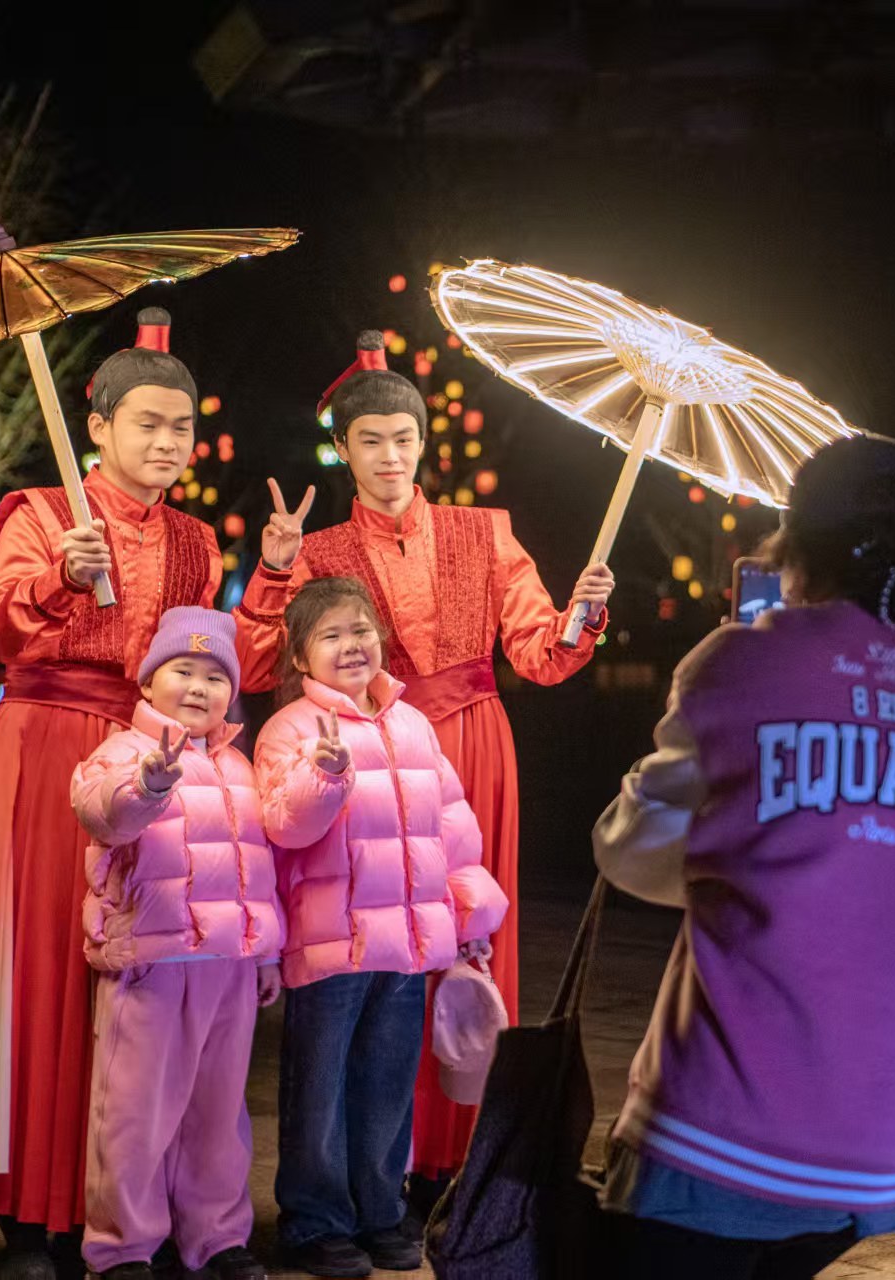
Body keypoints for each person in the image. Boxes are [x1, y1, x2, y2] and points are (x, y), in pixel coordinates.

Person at [589, 434, 895, 1279]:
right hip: (891, 1141)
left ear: (796, 544)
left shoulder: (747, 660)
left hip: (724, 1127)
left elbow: (634, 852)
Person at [0, 313, 274, 1280]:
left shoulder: (198, 541)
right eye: (148, 424)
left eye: (182, 429)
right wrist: (58, 578)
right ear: (99, 426)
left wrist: (276, 577)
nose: (167, 444)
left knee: (141, 976)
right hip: (44, 748)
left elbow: (223, 663)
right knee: (47, 963)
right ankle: (34, 1210)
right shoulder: (36, 511)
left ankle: (133, 1206)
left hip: (152, 757)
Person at [238, 331, 613, 1191]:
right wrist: (273, 569)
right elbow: (260, 668)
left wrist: (580, 615)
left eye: (403, 439)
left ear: (422, 444)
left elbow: (538, 655)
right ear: (344, 450)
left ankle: (460, 1158)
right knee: (384, 949)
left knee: (473, 941)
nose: (389, 456)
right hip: (370, 758)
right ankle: (383, 1168)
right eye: (370, 440)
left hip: (476, 747)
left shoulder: (488, 531)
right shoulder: (321, 551)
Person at [255, 577, 508, 1278]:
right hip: (330, 946)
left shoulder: (411, 724)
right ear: (300, 658)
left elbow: (450, 827)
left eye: (361, 630)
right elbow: (282, 825)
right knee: (320, 1088)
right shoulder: (290, 729)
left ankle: (380, 1210)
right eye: (331, 636)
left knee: (387, 1084)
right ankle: (314, 1221)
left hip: (406, 943)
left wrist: (468, 914)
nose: (352, 646)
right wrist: (325, 777)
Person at [71, 608, 283, 1280]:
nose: (198, 686)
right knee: (133, 1113)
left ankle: (216, 1238)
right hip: (153, 965)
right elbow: (105, 811)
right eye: (182, 670)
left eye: (215, 676)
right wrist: (151, 785)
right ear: (149, 679)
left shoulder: (238, 766)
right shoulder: (122, 753)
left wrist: (267, 952)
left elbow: (259, 864)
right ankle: (123, 1247)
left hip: (227, 965)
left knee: (218, 1114)